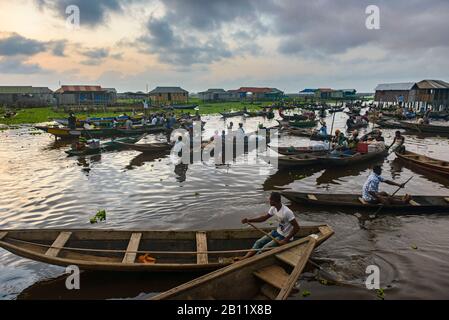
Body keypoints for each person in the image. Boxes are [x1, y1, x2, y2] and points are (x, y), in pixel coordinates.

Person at [236, 192, 300, 261]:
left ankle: (251, 261)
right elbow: (264, 218)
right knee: (258, 242)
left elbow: (297, 227)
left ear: (274, 201)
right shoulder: (273, 208)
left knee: (265, 248)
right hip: (277, 232)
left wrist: (285, 240)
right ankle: (245, 258)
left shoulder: (287, 212)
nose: (268, 201)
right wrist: (249, 220)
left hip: (284, 236)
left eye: (270, 200)